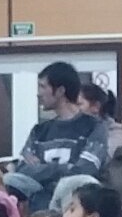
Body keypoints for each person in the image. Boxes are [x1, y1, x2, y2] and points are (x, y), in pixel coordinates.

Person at [9, 62, 114, 203]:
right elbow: (22, 169)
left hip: (76, 206)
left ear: (60, 91)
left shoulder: (94, 127)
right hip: (39, 209)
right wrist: (66, 167)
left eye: (42, 86)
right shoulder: (39, 131)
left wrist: (41, 169)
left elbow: (85, 171)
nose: (38, 94)